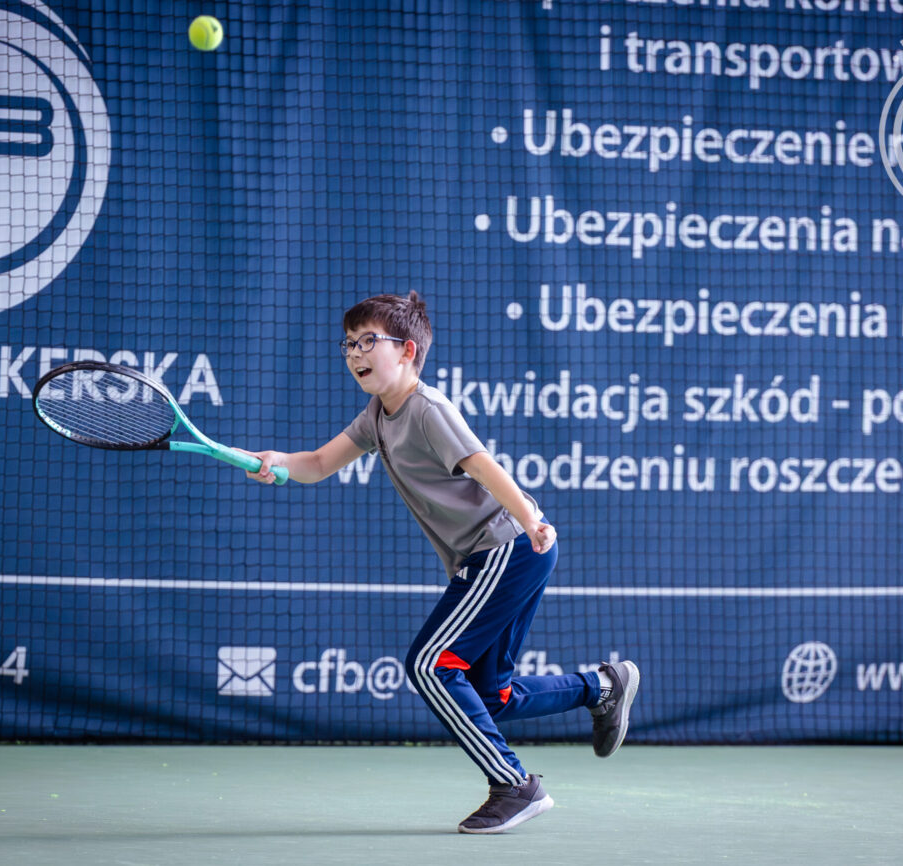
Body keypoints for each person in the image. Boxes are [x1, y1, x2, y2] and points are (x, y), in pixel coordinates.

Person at [245, 291, 640, 834]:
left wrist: (529, 518)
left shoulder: (427, 409)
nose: (355, 353)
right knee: (491, 696)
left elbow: (482, 465)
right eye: (349, 344)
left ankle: (514, 785)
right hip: (500, 554)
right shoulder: (376, 417)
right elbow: (316, 463)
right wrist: (277, 462)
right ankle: (602, 686)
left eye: (368, 341)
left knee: (430, 664)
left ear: (407, 350)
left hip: (506, 547)